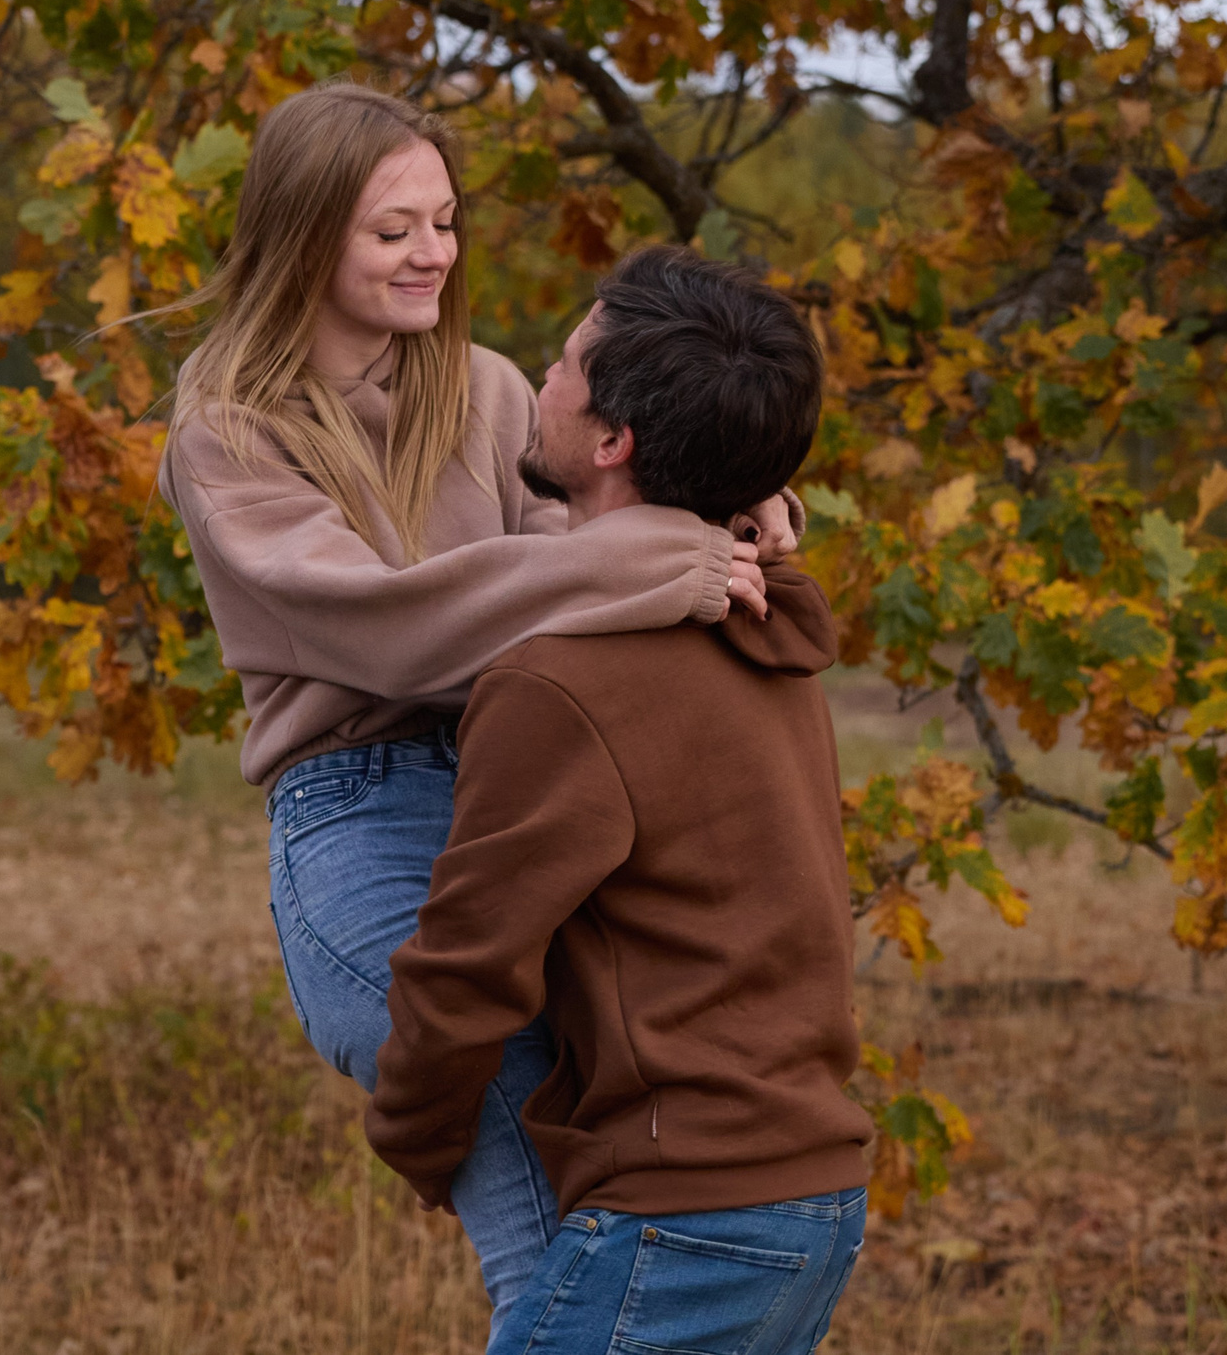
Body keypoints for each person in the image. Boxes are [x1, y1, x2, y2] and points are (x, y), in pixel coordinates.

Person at [152, 86, 798, 1328]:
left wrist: (730, 502)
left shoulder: (491, 389)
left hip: (524, 799)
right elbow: (389, 627)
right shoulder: (228, 431)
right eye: (392, 230)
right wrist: (656, 556)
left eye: (444, 222)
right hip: (364, 820)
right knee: (546, 1230)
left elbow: (592, 541)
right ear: (303, 235)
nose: (432, 254)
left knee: (623, 1206)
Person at [365, 245, 873, 1355]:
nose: (539, 382)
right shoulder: (762, 629)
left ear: (612, 442)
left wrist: (413, 1133)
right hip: (814, 1197)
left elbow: (471, 963)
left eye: (561, 365)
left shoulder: (561, 683)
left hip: (688, 1215)